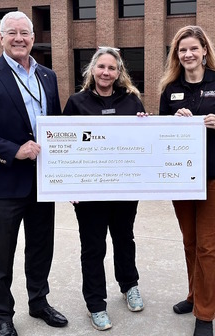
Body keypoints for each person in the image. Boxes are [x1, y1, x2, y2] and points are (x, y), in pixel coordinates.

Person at [0, 11, 68, 336]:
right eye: (13, 33)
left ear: (33, 38)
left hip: (42, 183)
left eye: (25, 32)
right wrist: (14, 150)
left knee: (40, 248)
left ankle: (39, 302)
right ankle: (2, 315)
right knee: (1, 255)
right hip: (4, 184)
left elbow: (58, 128)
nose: (19, 38)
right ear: (1, 38)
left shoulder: (47, 77)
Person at [158, 26, 215, 336]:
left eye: (193, 48)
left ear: (204, 51)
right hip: (181, 177)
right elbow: (160, 130)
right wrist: (173, 121)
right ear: (177, 55)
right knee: (191, 242)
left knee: (208, 246)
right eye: (182, 50)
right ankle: (194, 295)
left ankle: (205, 314)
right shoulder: (170, 88)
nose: (188, 54)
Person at [62, 47, 146, 331]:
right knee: (93, 248)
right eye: (101, 67)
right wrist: (67, 185)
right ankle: (95, 304)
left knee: (125, 239)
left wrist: (146, 127)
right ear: (92, 70)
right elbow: (64, 146)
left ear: (119, 72)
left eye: (112, 68)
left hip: (124, 188)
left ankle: (129, 285)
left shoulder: (132, 101)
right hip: (89, 193)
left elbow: (142, 142)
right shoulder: (76, 102)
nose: (106, 72)